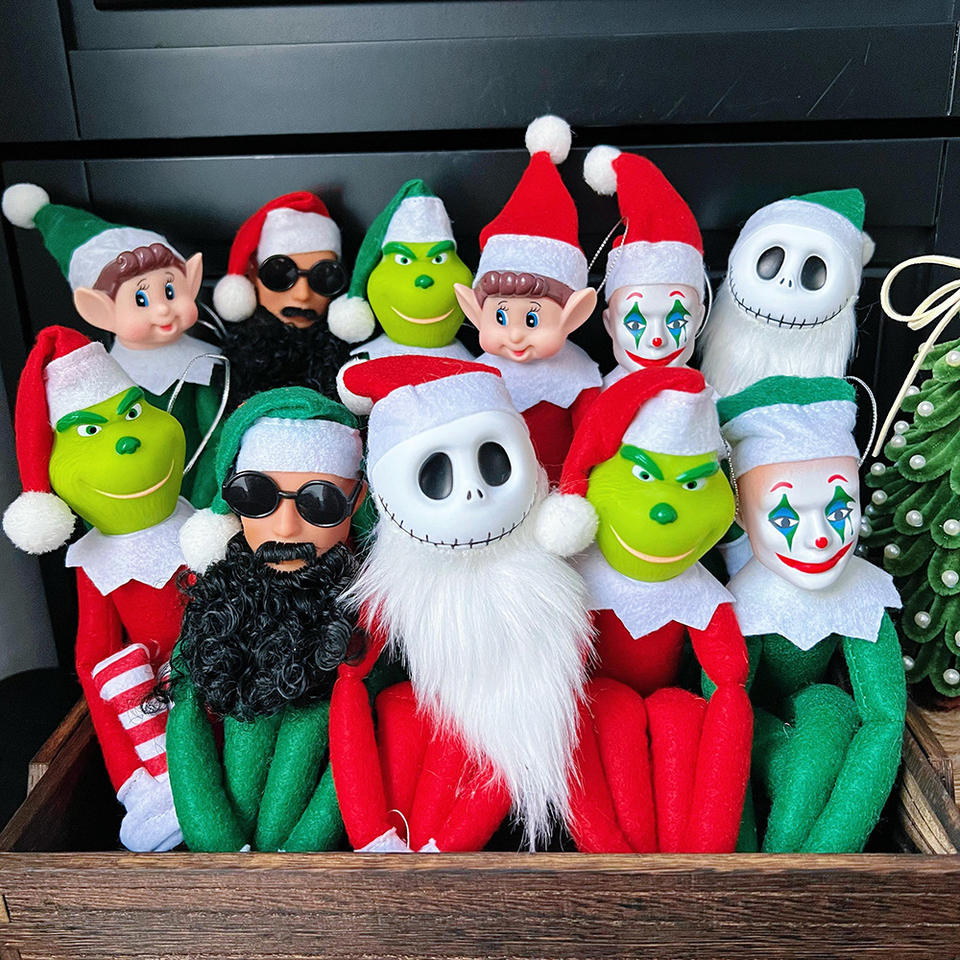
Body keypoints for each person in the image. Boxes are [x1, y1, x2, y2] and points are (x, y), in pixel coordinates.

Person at [165, 388, 366, 851]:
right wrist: (215, 844)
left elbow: (353, 756)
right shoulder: (219, 605)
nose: (285, 527)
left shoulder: (367, 614)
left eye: (319, 503)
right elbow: (186, 725)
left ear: (355, 502)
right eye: (257, 496)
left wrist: (298, 854)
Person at [454, 116, 601, 484]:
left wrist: (577, 482)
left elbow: (590, 436)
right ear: (476, 312)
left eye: (532, 320)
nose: (515, 334)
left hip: (560, 482)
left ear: (573, 315)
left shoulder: (579, 375)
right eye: (501, 318)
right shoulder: (480, 374)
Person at [212, 191, 356, 408]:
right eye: (281, 275)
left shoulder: (348, 361)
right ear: (253, 275)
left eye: (324, 277)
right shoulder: (231, 363)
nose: (303, 295)